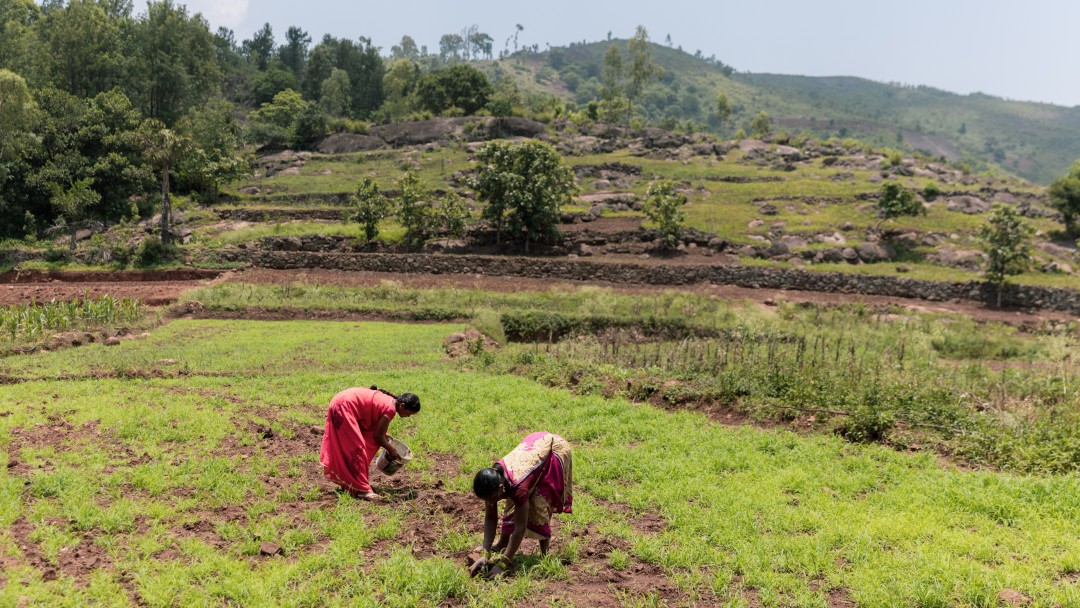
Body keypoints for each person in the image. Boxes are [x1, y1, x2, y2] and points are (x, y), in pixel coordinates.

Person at [469, 431, 573, 579]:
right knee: (514, 502)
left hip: (554, 450)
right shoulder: (494, 477)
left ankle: (545, 554)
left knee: (539, 503)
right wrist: (486, 551)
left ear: (500, 488)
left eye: (491, 499)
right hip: (534, 448)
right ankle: (502, 543)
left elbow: (520, 529)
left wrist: (502, 564)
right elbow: (491, 518)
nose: (490, 503)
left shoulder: (519, 487)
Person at [320, 385, 420, 500]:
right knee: (357, 449)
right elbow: (378, 436)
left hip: (340, 402)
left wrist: (384, 436)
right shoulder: (390, 409)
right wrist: (391, 450)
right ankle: (362, 490)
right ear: (402, 406)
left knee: (351, 447)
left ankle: (350, 484)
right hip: (344, 406)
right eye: (409, 413)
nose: (408, 416)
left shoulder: (389, 400)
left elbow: (376, 430)